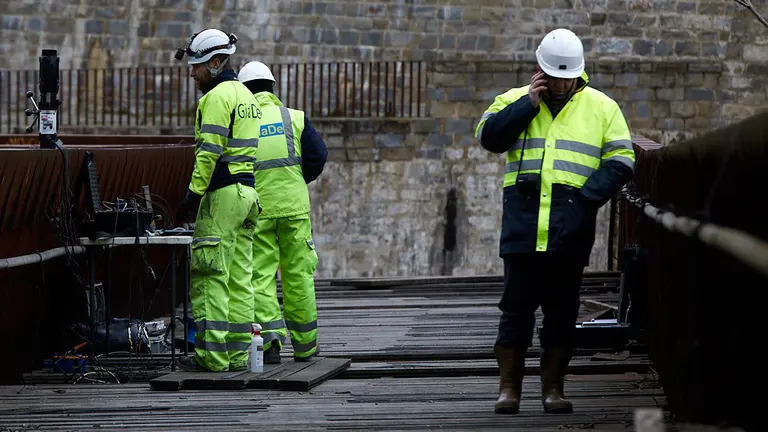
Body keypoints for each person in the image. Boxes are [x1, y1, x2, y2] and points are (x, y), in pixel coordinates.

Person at [474, 28, 636, 414]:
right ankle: (508, 389)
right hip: (523, 225)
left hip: (570, 226)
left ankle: (553, 390)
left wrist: (584, 201)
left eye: (567, 77)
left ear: (579, 73)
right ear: (539, 71)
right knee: (515, 310)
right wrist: (525, 106)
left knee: (562, 313)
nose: (561, 84)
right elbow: (489, 137)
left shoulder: (602, 107)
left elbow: (622, 161)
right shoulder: (513, 100)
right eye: (554, 76)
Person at [174, 28, 263, 373]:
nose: (192, 73)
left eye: (196, 66)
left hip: (222, 197)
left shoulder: (215, 99)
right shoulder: (248, 97)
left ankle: (211, 357)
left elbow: (208, 153)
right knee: (240, 277)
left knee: (210, 274)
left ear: (214, 62)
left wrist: (192, 196)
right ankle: (239, 355)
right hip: (247, 195)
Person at [237, 61, 328, 363]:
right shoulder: (294, 118)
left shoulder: (241, 122)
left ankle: (270, 344)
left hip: (258, 210)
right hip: (294, 209)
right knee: (299, 275)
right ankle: (306, 347)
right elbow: (318, 155)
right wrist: (296, 182)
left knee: (259, 276)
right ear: (273, 88)